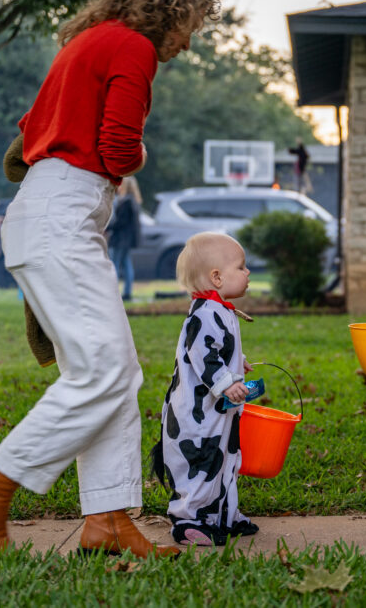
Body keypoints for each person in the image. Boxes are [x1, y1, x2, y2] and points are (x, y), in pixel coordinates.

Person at [0, 0, 219, 558]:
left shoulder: (90, 40)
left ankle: (108, 519)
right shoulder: (133, 47)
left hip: (51, 213)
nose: (188, 41)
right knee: (104, 370)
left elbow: (30, 129)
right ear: (170, 5)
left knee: (115, 370)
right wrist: (138, 155)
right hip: (63, 216)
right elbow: (118, 150)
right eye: (191, 22)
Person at [151, 232, 258, 546]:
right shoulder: (205, 313)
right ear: (217, 277)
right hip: (196, 418)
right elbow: (202, 354)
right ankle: (189, 521)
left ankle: (223, 516)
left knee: (225, 460)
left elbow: (217, 349)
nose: (247, 272)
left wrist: (238, 362)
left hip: (216, 414)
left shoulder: (219, 310)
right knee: (201, 465)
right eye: (241, 267)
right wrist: (226, 382)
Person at [106, 177, 141, 301]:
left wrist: (107, 227)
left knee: (114, 264)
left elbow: (120, 222)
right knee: (126, 264)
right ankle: (127, 292)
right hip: (127, 239)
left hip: (120, 239)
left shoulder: (125, 202)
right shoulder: (134, 201)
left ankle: (113, 292)